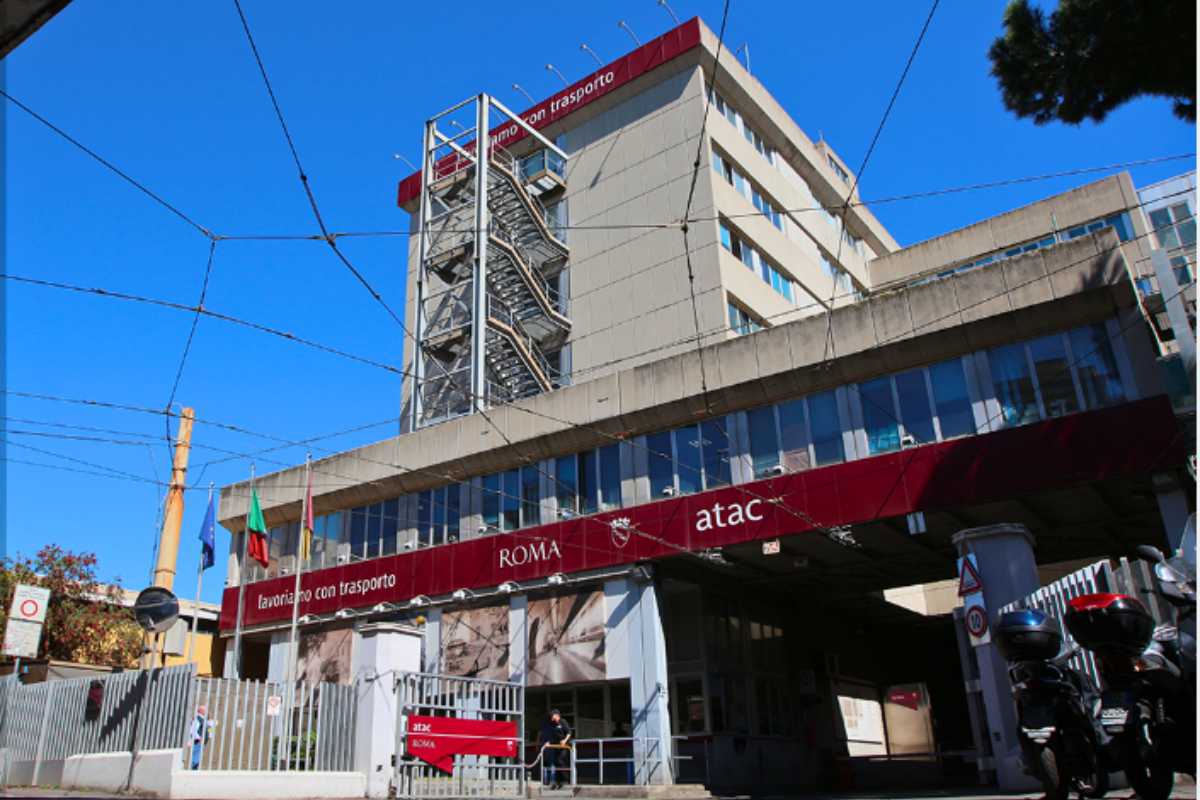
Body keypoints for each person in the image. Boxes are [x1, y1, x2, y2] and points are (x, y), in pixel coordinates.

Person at [537, 709, 572, 789]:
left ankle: (565, 780)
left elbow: (569, 732)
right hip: (556, 746)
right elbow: (553, 736)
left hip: (564, 746)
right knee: (556, 762)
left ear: (557, 715)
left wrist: (564, 740)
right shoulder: (552, 724)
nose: (551, 718)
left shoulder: (563, 722)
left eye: (552, 716)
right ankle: (558, 781)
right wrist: (548, 742)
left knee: (560, 760)